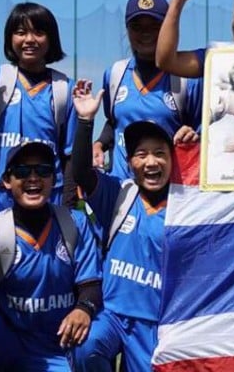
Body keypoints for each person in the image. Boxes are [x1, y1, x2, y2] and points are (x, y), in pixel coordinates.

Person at [0, 140, 101, 372]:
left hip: (57, 348)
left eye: (43, 170)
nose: (33, 178)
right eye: (21, 171)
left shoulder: (74, 224)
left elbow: (91, 286)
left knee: (97, 332)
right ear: (7, 181)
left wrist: (84, 308)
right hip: (9, 346)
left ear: (54, 178)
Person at [70, 81, 170, 372]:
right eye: (141, 155)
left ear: (173, 160)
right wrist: (86, 121)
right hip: (111, 316)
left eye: (160, 153)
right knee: (85, 345)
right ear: (129, 162)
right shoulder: (119, 193)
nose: (151, 162)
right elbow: (81, 173)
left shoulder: (184, 207)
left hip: (153, 323)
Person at [0, 3, 77, 220]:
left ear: (51, 38)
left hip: (45, 193)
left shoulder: (65, 89)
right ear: (10, 38)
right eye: (21, 32)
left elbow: (70, 156)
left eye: (38, 32)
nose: (29, 39)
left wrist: (68, 204)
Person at [94, 0, 202, 179]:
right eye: (137, 26)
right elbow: (113, 122)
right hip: (122, 192)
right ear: (127, 29)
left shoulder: (186, 79)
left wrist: (194, 136)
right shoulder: (115, 74)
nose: (146, 33)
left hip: (168, 191)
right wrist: (99, 144)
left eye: (154, 26)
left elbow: (199, 131)